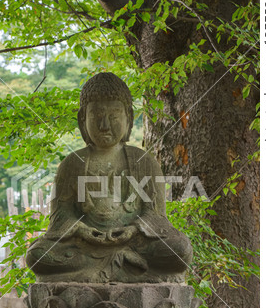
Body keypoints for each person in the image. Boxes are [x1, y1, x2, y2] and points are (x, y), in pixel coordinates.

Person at [26, 73, 192, 283]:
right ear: (82, 119)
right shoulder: (73, 163)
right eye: (96, 115)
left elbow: (156, 215)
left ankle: (95, 273)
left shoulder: (143, 161)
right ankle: (126, 271)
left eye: (114, 116)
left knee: (180, 250)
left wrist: (133, 230)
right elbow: (60, 216)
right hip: (85, 247)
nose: (104, 124)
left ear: (129, 118)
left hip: (134, 244)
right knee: (37, 255)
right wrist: (82, 230)